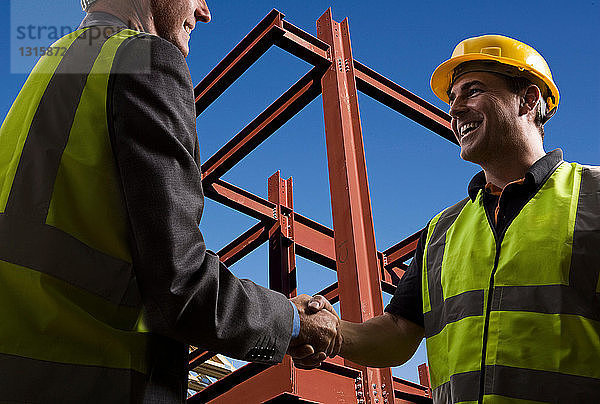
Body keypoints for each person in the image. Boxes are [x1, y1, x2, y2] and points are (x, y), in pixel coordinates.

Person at [0, 0, 340, 402]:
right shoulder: (145, 59)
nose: (205, 11)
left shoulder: (50, 67)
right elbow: (182, 285)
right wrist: (295, 322)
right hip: (98, 381)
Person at [302, 35, 600, 403]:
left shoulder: (595, 195)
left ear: (528, 99)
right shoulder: (442, 230)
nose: (454, 109)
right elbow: (398, 331)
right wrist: (332, 331)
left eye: (472, 91)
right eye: (452, 98)